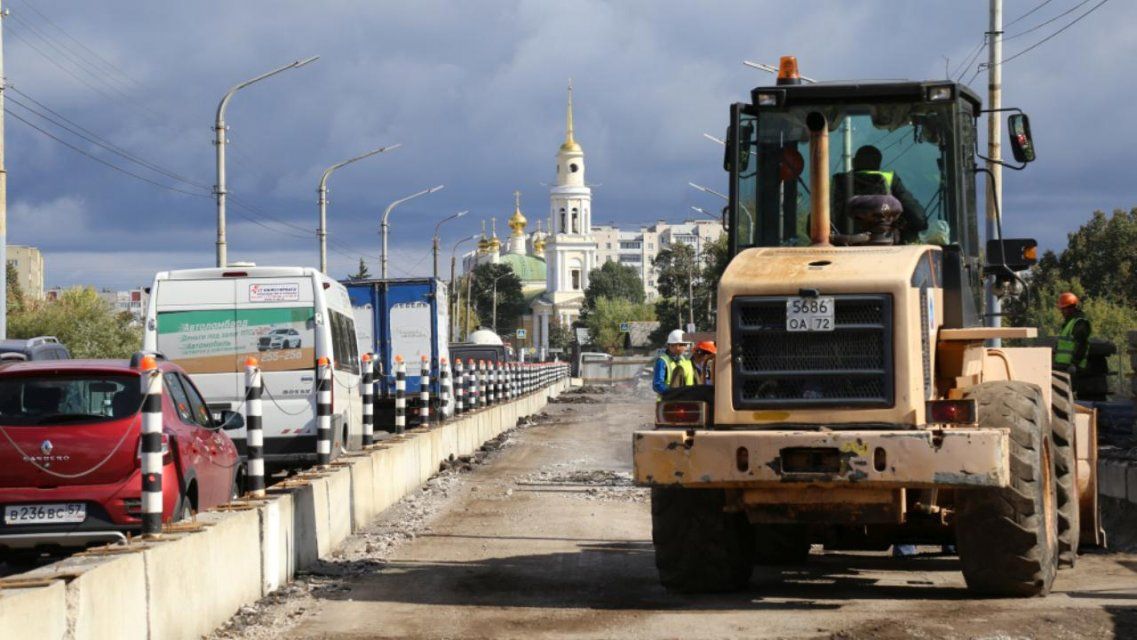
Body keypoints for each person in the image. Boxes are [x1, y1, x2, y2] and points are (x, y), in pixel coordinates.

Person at [832, 145, 928, 243]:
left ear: (853, 162)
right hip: (887, 248)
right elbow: (918, 219)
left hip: (841, 247)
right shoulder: (889, 180)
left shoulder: (838, 181)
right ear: (878, 165)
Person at [1053, 292, 1091, 378]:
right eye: (1061, 309)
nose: (1062, 312)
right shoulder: (1069, 323)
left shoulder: (1080, 323)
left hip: (1073, 368)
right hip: (1063, 366)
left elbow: (1082, 345)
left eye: (1063, 309)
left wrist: (1074, 364)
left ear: (1071, 308)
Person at [652, 330, 694, 396]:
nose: (685, 347)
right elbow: (657, 385)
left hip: (683, 398)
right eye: (684, 345)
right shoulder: (662, 361)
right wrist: (671, 393)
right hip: (667, 401)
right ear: (674, 345)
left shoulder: (683, 360)